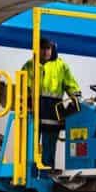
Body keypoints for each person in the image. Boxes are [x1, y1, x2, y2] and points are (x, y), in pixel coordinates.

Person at [22, 38, 80, 169]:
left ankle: (46, 174)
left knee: (48, 151)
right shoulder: (29, 65)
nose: (46, 51)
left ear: (53, 49)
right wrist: (26, 102)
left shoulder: (61, 66)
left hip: (52, 115)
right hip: (33, 114)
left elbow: (71, 86)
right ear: (37, 49)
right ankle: (28, 174)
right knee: (29, 149)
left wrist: (75, 99)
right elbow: (23, 87)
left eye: (48, 48)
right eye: (43, 48)